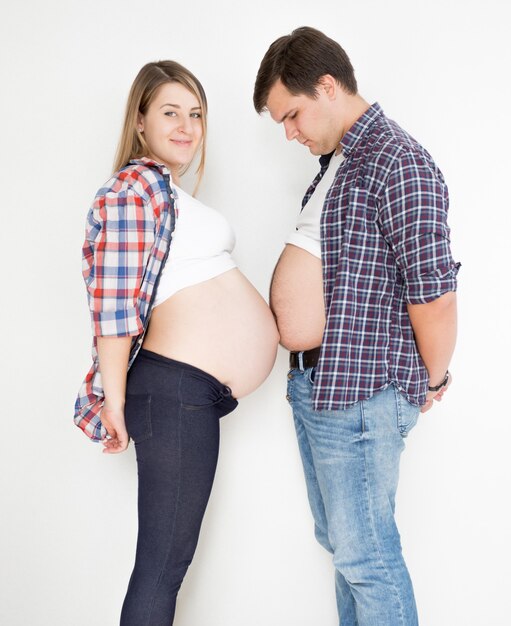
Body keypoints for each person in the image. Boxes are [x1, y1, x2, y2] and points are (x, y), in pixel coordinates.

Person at [253, 27, 459, 626]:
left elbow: (435, 295)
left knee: (367, 558)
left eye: (291, 115)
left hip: (362, 394)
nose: (289, 133)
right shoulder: (341, 162)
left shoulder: (399, 161)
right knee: (347, 553)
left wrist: (434, 377)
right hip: (322, 388)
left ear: (325, 86)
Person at [75, 60, 279, 626]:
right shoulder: (132, 188)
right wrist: (112, 402)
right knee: (162, 567)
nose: (187, 126)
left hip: (189, 392)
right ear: (139, 122)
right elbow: (113, 305)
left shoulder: (165, 192)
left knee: (165, 565)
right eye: (171, 112)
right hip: (173, 390)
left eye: (196, 115)